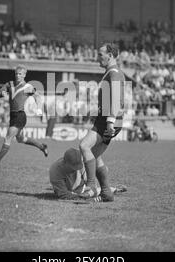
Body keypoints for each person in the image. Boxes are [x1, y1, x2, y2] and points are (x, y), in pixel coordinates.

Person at [79, 43, 125, 201]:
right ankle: (106, 192)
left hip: (108, 120)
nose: (97, 57)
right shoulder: (110, 73)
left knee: (84, 146)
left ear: (110, 55)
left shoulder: (114, 73)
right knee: (95, 156)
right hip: (106, 119)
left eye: (100, 54)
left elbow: (117, 99)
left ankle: (91, 186)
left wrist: (110, 121)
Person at [0, 65, 48, 167]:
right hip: (13, 115)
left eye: (20, 74)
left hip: (20, 115)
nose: (17, 76)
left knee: (8, 138)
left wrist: (39, 109)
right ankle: (42, 146)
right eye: (16, 74)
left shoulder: (27, 87)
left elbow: (38, 97)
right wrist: (1, 93)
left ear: (24, 75)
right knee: (20, 139)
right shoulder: (10, 84)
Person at [49, 148, 127, 201]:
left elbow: (89, 183)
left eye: (78, 166)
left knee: (96, 190)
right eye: (73, 167)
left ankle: (114, 189)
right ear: (65, 162)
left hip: (80, 187)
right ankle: (114, 189)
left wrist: (90, 191)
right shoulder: (55, 171)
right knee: (90, 192)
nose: (76, 169)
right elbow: (63, 194)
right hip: (68, 190)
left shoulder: (81, 163)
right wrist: (81, 196)